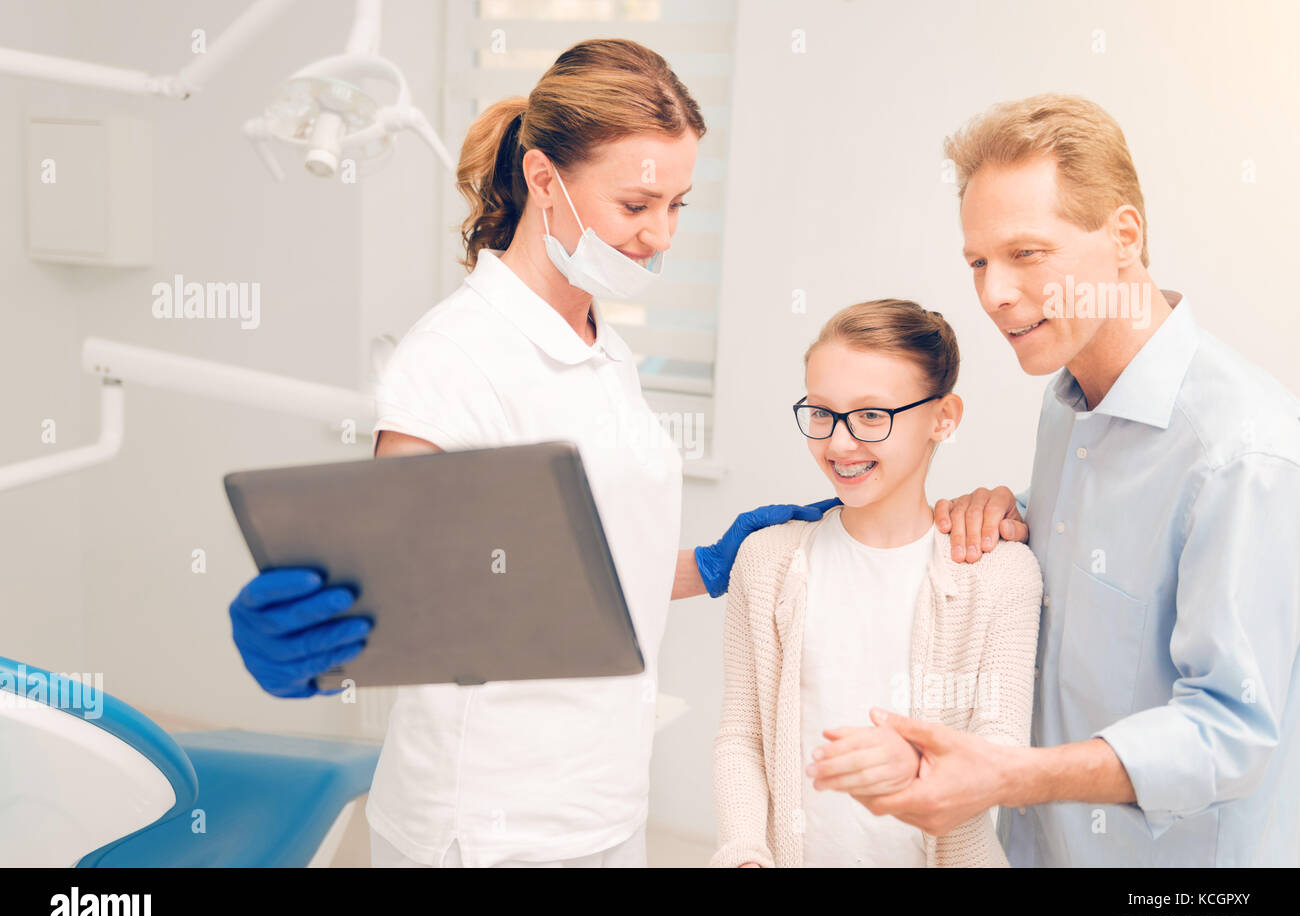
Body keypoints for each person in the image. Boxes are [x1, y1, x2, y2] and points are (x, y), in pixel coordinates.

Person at [227, 38, 837, 868]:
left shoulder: (602, 347)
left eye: (679, 206)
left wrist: (712, 562)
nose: (661, 236)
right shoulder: (455, 358)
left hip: (605, 803)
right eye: (636, 205)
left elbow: (564, 571)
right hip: (483, 826)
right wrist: (315, 651)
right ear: (545, 179)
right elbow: (404, 603)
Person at [826, 93, 1300, 866]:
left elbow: (1231, 733)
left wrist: (1012, 775)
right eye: (978, 262)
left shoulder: (1243, 454)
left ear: (1124, 236)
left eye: (1026, 253)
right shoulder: (1068, 401)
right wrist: (1017, 511)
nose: (994, 293)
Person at [711, 300, 1042, 867]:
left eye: (871, 416)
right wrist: (744, 852)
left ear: (944, 417)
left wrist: (918, 763)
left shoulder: (1001, 573)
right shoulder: (767, 560)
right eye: (821, 412)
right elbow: (742, 737)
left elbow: (1003, 748)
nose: (839, 444)